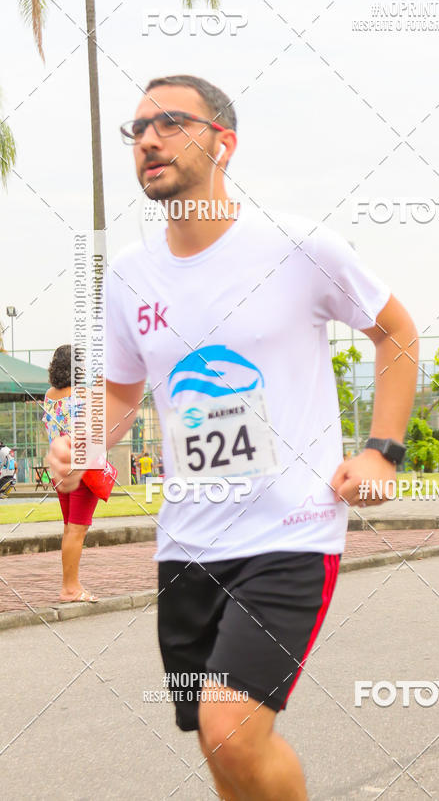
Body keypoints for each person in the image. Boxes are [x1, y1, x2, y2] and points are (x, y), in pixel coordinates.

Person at [48, 74, 418, 800]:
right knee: (223, 753)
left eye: (170, 123)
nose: (148, 139)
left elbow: (397, 332)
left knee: (229, 728)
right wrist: (83, 443)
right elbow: (123, 389)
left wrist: (383, 449)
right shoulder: (129, 274)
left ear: (224, 143)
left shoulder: (299, 246)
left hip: (291, 533)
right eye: (138, 129)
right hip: (188, 544)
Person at [43, 345, 99, 603]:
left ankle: (70, 585)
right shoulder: (84, 394)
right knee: (78, 529)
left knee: (69, 528)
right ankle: (71, 588)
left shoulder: (49, 395)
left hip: (60, 472)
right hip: (82, 470)